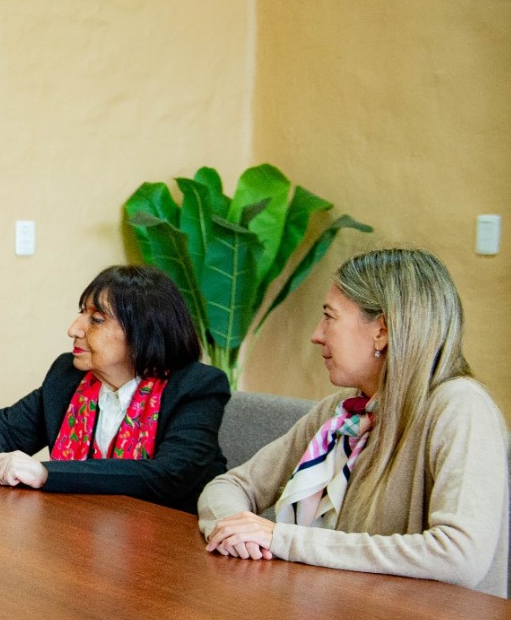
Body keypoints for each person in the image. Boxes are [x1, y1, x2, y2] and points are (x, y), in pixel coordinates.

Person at [199, 248, 508, 596]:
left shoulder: (461, 407)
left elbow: (459, 556)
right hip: (338, 617)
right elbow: (230, 486)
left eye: (330, 317)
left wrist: (285, 539)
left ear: (382, 331)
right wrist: (233, 530)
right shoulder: (342, 409)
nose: (317, 334)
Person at [0, 265, 230, 512]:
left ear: (143, 331)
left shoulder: (197, 386)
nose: (74, 329)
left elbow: (168, 475)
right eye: (81, 314)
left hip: (170, 545)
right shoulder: (69, 376)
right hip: (79, 531)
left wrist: (46, 473)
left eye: (96, 320)